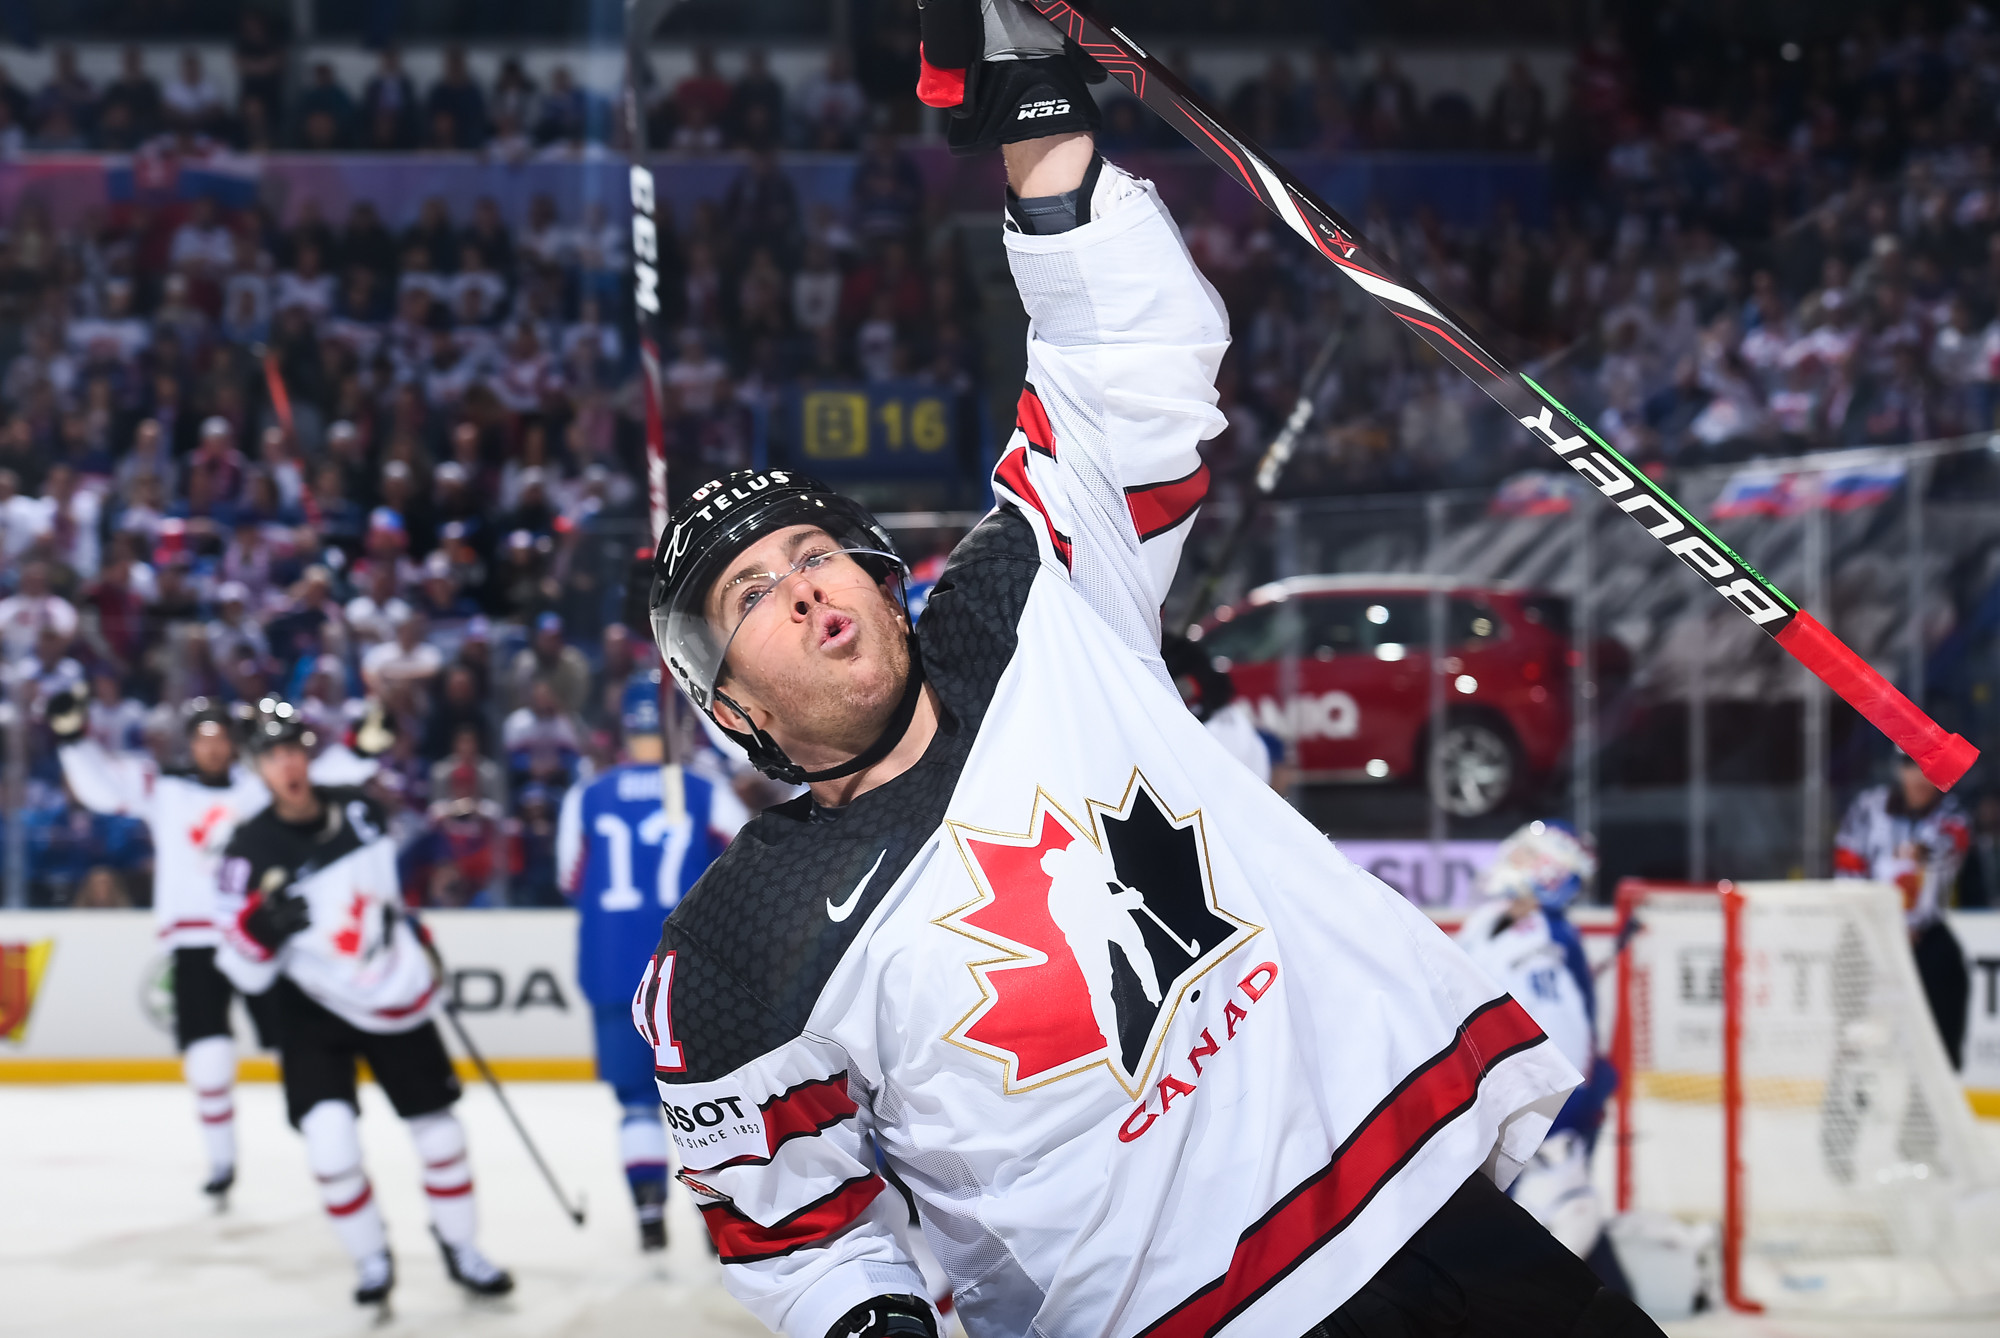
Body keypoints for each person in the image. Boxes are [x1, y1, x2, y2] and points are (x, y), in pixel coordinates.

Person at [631, 8, 1657, 1336]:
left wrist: (1034, 101)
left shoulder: (1036, 606)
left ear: (882, 578)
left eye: (816, 551)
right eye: (752, 594)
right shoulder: (737, 945)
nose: (805, 586)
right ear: (729, 703)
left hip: (1426, 1219)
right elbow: (792, 1230)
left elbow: (1124, 365)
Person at [215, 701, 513, 1308]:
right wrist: (260, 931)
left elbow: (387, 898)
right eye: (272, 756)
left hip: (392, 994)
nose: (287, 765)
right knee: (331, 1147)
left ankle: (461, 1247)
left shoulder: (359, 809)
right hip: (311, 1009)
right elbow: (239, 966)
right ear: (257, 767)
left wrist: (411, 941)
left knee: (441, 1138)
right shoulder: (247, 848)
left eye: (294, 750)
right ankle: (371, 1257)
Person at [50, 694, 276, 1205]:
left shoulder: (256, 787)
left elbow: (312, 784)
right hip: (194, 940)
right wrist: (72, 740)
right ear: (190, 743)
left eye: (221, 738)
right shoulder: (164, 788)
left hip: (257, 934)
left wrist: (363, 750)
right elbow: (102, 790)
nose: (212, 748)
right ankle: (221, 1161)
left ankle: (323, 1133)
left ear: (234, 744)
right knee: (208, 1058)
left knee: (297, 1042)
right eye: (203, 738)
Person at [556, 682, 747, 1250]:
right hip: (692, 974)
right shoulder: (705, 790)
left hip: (613, 967)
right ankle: (719, 1218)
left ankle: (648, 1215)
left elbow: (570, 878)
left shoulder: (588, 795)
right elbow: (748, 868)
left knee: (636, 1102)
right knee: (707, 1100)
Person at [1454, 822, 1627, 1293]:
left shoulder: (1542, 939)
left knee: (1554, 1224)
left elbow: (1565, 1048)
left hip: (1539, 1118)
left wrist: (1553, 1123)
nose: (1509, 862)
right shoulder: (1491, 923)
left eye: (1525, 857)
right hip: (1507, 1110)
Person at [1834, 750, 1974, 1068]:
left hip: (1926, 938)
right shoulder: (1868, 808)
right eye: (1913, 767)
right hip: (1872, 936)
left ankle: (1938, 1083)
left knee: (1944, 1014)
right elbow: (1847, 865)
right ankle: (1851, 1086)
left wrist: (1922, 851)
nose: (1920, 777)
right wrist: (1882, 924)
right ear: (1899, 770)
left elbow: (1953, 843)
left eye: (1928, 769)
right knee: (1856, 1026)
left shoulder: (1950, 811)